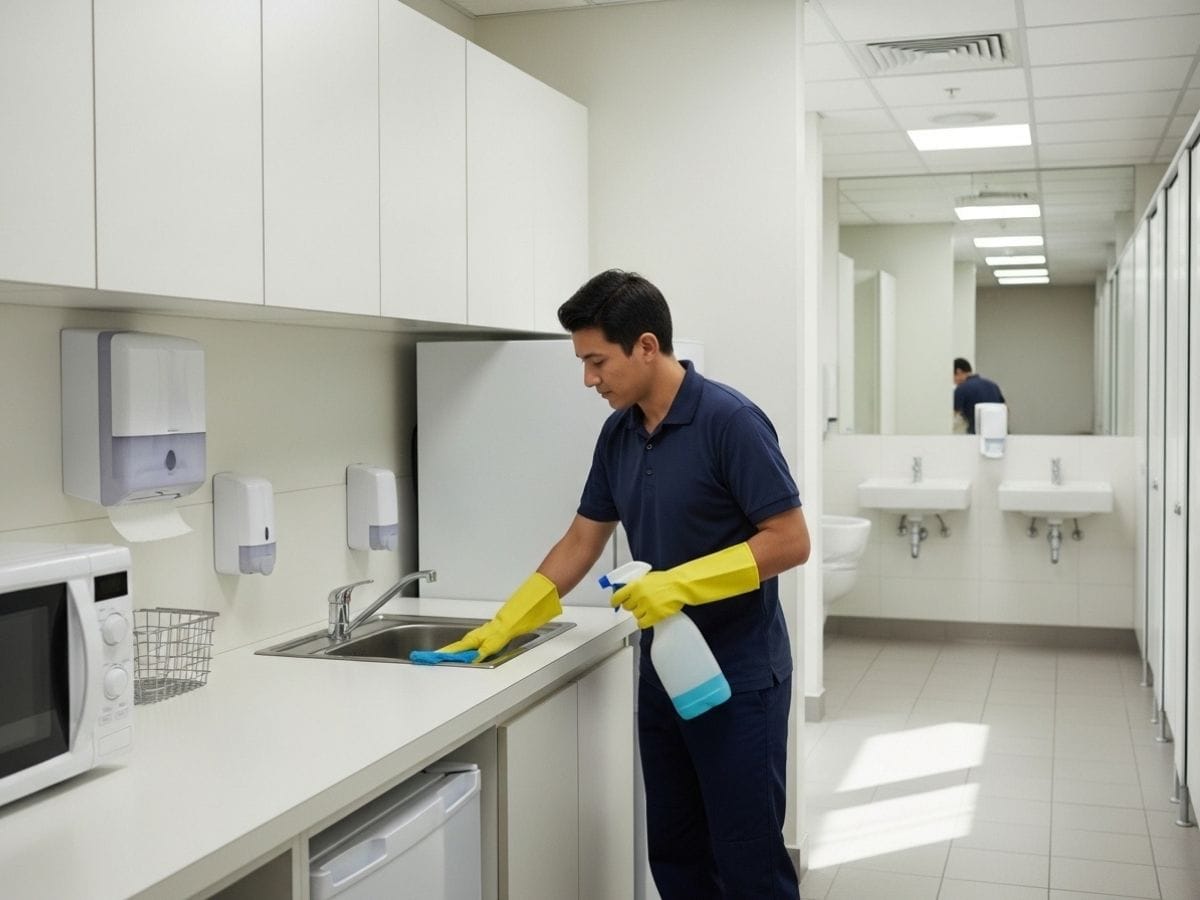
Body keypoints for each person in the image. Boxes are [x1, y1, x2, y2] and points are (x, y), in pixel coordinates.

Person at [440, 269, 810, 899]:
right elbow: (582, 540)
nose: (589, 379)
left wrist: (681, 584)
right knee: (675, 851)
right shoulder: (619, 433)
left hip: (739, 678)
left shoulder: (731, 422)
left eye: (596, 361)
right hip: (665, 674)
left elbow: (790, 539)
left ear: (645, 345)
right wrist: (509, 621)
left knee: (747, 859)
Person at [953, 357, 1005, 434]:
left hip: (976, 435)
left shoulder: (961, 389)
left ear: (958, 371)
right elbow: (1005, 409)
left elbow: (954, 415)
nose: (953, 380)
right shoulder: (993, 385)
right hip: (999, 432)